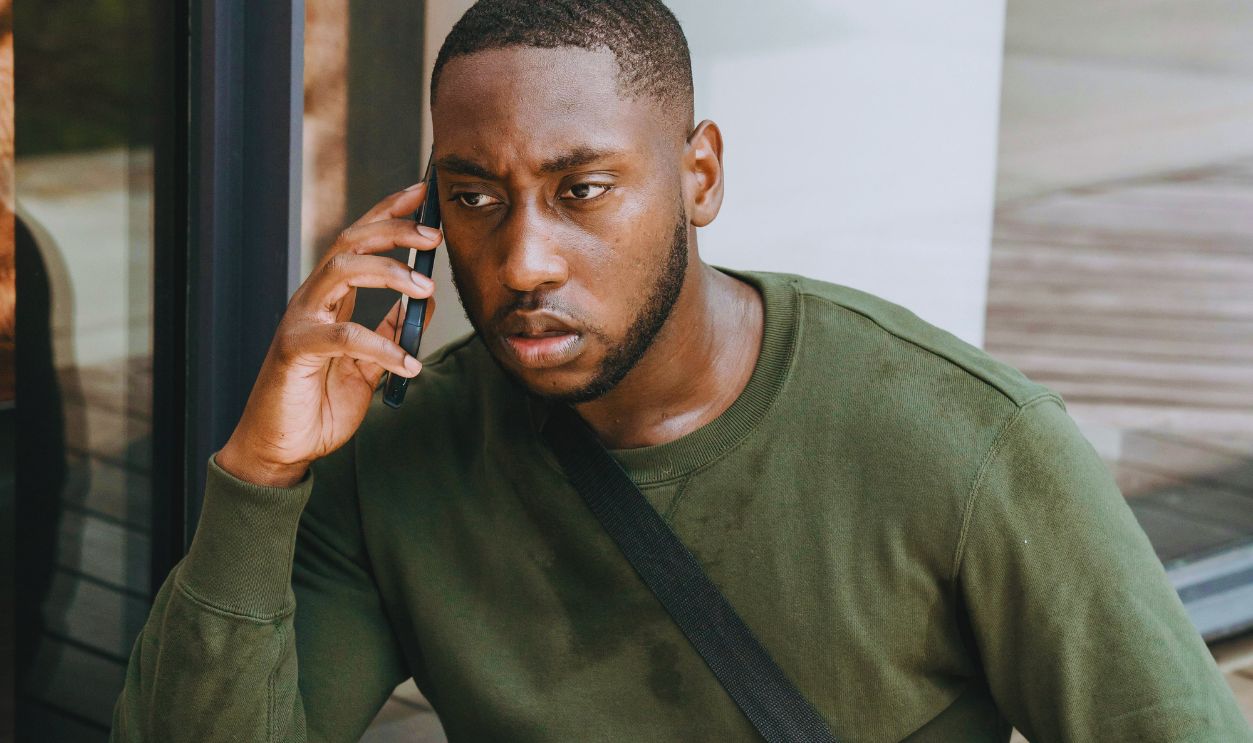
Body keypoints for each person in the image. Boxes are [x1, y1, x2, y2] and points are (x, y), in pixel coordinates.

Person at [110, 1, 1252, 741]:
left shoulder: (966, 442)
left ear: (697, 175)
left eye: (582, 188)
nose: (521, 258)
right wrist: (259, 477)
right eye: (474, 196)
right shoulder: (404, 453)